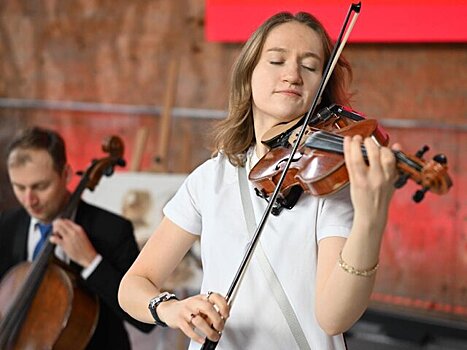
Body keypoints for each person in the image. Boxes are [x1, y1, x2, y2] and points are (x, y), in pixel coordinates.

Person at [118, 11, 398, 350]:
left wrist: (371, 220)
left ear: (321, 90)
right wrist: (174, 309)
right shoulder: (211, 178)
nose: (293, 75)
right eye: (277, 60)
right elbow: (133, 284)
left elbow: (333, 317)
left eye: (309, 67)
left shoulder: (328, 184)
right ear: (248, 74)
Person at [0, 126, 153, 349]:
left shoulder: (112, 230)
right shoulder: (7, 225)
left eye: (40, 186)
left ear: (66, 174)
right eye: (19, 187)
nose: (29, 200)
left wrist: (92, 262)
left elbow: (144, 321)